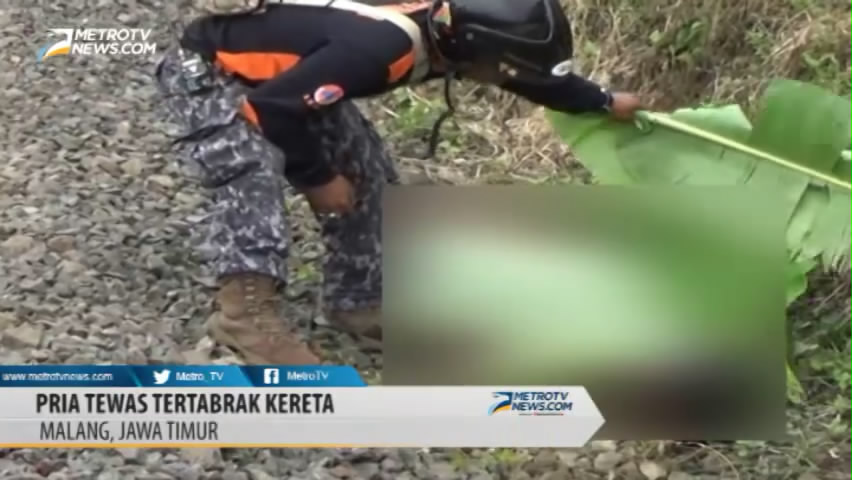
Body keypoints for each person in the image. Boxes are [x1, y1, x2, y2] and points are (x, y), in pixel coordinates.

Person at [154, 0, 644, 365]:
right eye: (499, 66)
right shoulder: (380, 51)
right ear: (472, 50)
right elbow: (271, 110)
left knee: (370, 172)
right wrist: (318, 179)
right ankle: (244, 314)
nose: (500, 76)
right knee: (250, 168)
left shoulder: (454, 32)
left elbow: (522, 73)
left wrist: (602, 101)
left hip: (293, 78)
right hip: (216, 72)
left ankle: (357, 300)